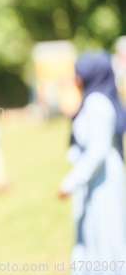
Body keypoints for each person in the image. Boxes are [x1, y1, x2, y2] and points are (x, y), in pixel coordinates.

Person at [59, 54, 126, 275]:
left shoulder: (96, 102)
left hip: (101, 180)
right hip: (100, 177)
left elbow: (97, 151)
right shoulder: (96, 98)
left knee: (104, 233)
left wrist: (70, 182)